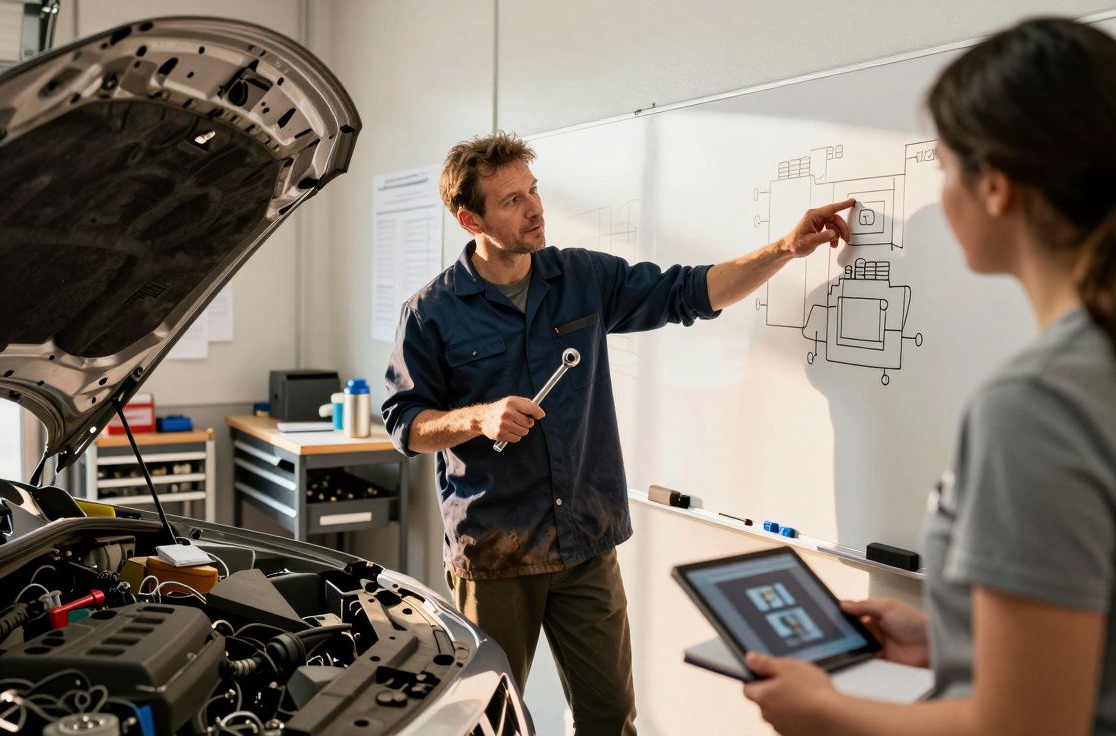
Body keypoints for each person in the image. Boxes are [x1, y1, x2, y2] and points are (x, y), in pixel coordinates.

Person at [382, 130, 852, 733]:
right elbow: (404, 423)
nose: (534, 209)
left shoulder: (581, 278)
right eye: (511, 201)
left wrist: (786, 247)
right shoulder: (431, 312)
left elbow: (691, 291)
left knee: (610, 720)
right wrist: (476, 417)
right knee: (485, 724)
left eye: (534, 191)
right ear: (467, 215)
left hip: (585, 541)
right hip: (494, 554)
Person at [741, 17, 1116, 736]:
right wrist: (955, 643)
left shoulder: (1038, 405)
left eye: (944, 170)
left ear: (998, 188)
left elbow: (1026, 727)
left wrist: (829, 714)